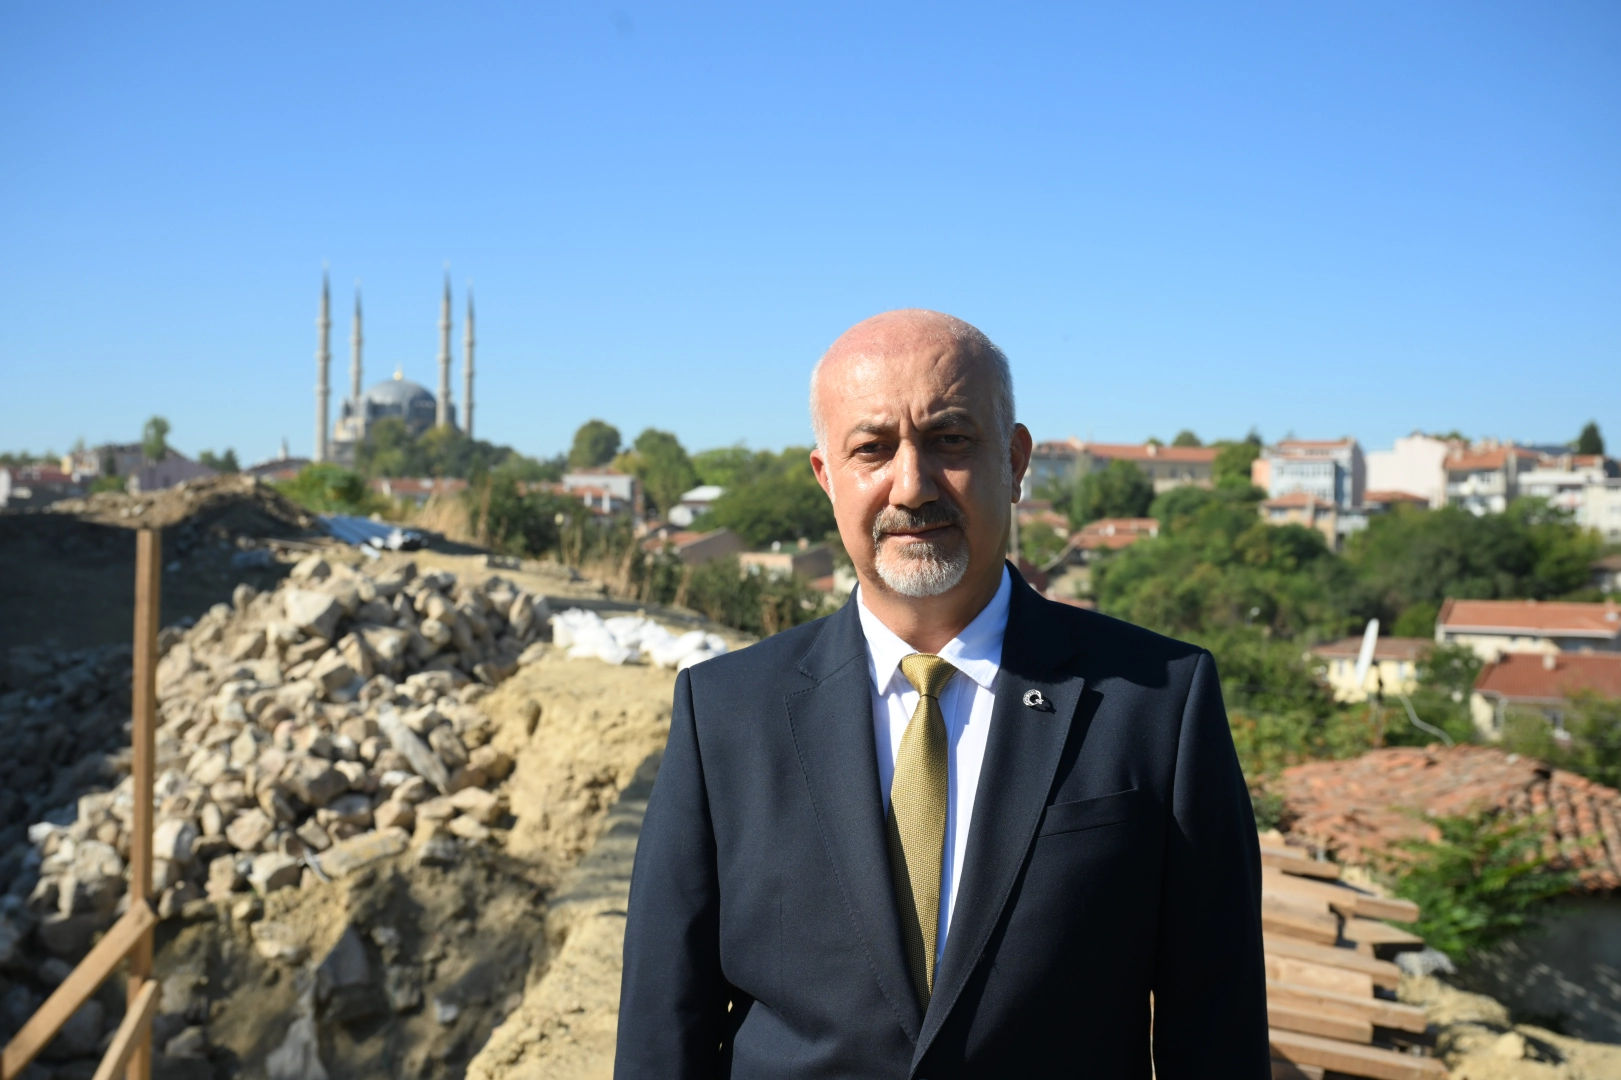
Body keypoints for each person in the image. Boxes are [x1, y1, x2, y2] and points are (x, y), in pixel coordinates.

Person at [616, 310, 1268, 1078]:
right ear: (826, 477)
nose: (912, 485)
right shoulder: (724, 713)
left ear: (1015, 462)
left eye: (950, 440)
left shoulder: (1157, 702)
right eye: (871, 448)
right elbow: (664, 1028)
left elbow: (1216, 1029)